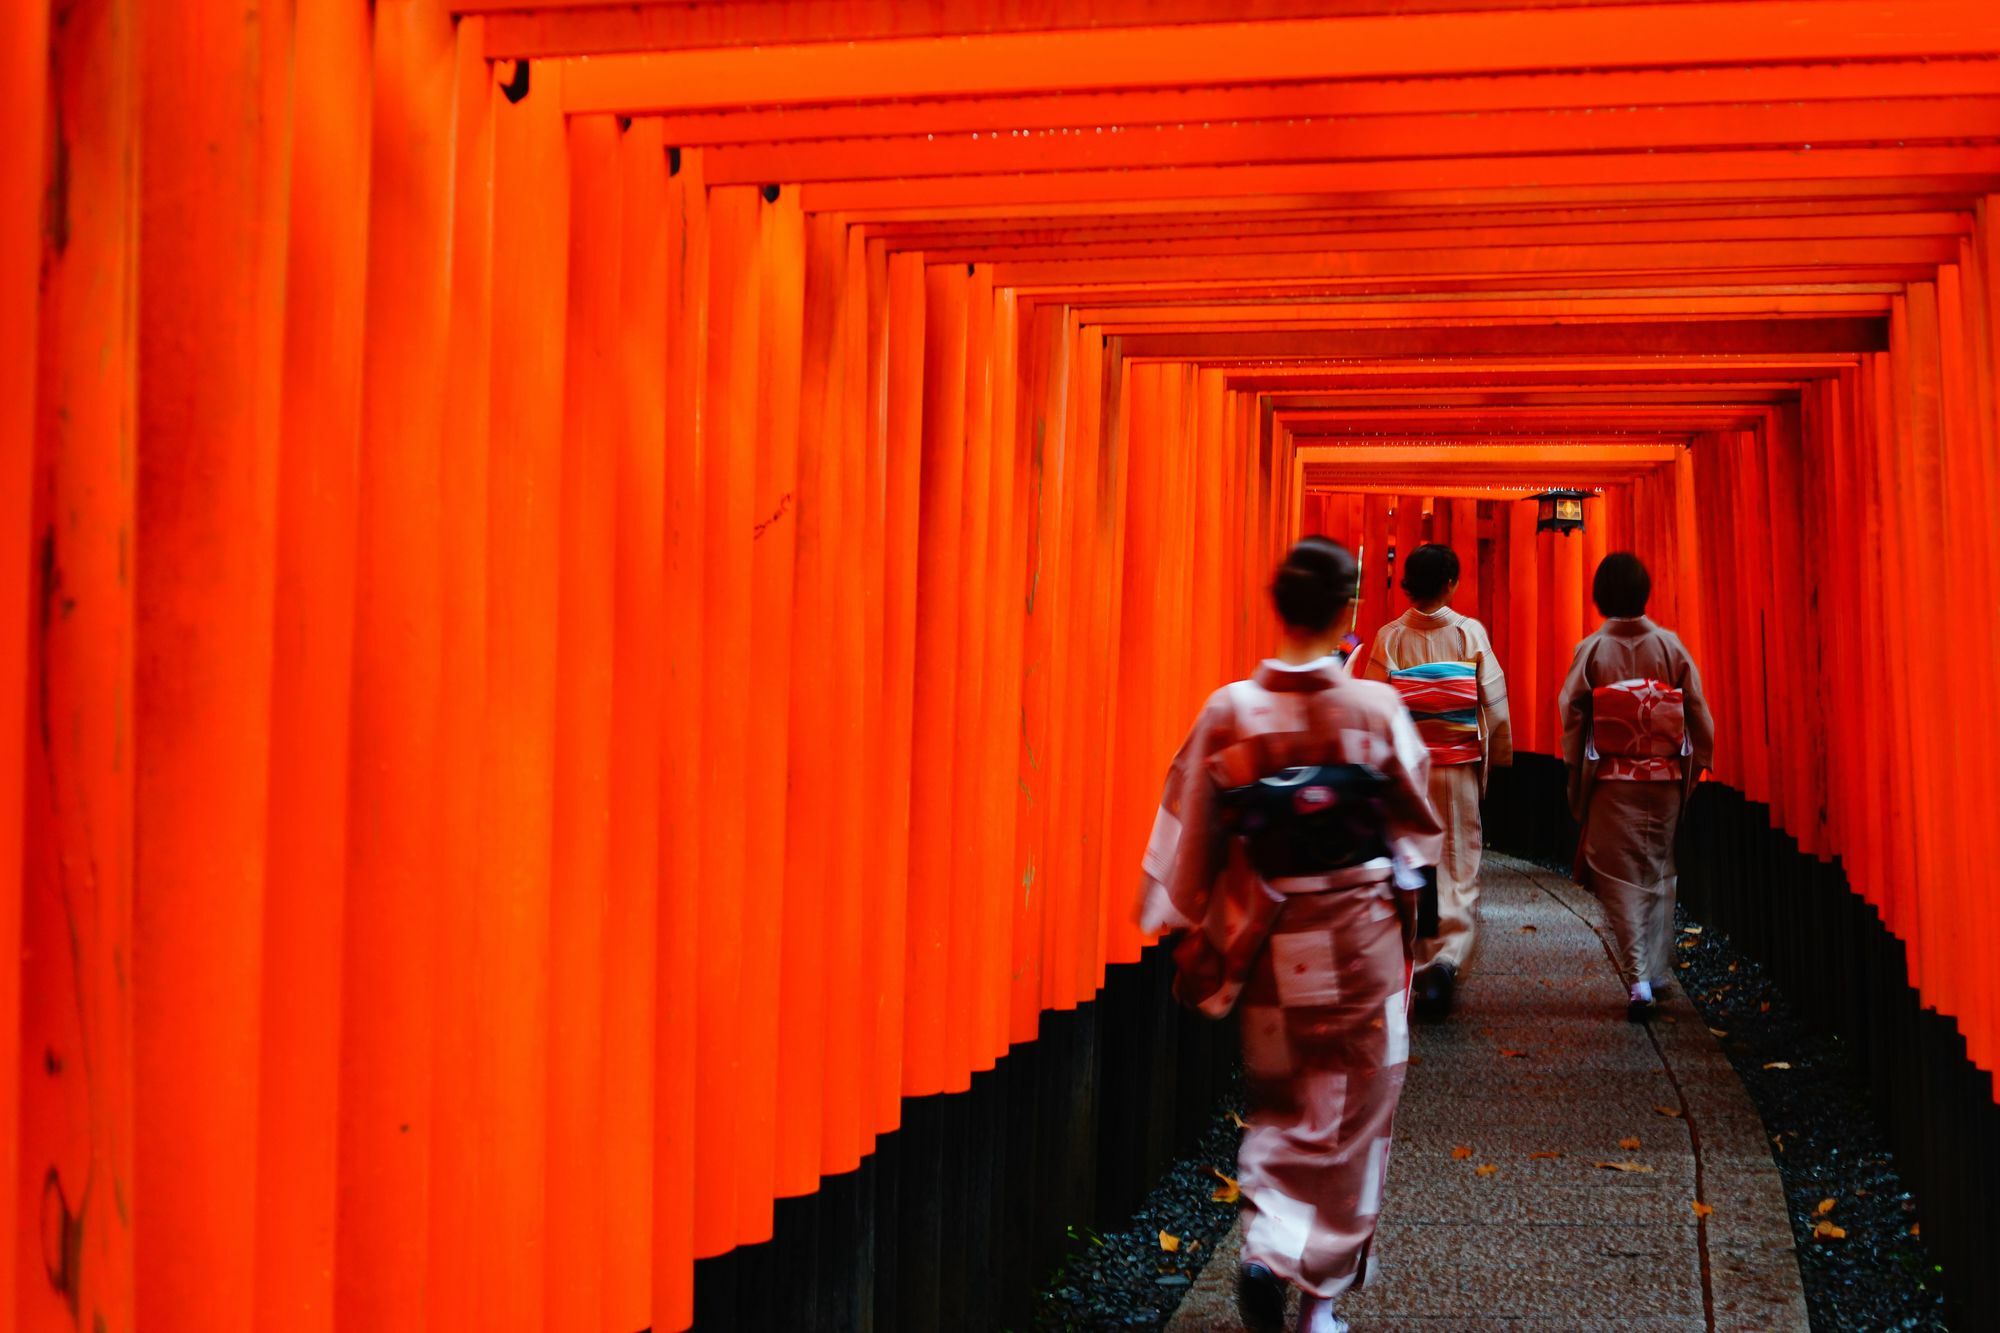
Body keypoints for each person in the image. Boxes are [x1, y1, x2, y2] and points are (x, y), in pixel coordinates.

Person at [1137, 537, 1442, 1333]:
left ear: (1277, 605)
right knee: (1360, 1114)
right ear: (1349, 612)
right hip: (1363, 939)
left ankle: (1268, 1244)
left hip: (1275, 942)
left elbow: (1185, 831)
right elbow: (1418, 829)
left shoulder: (1231, 709)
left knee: (1280, 1102)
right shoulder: (1373, 709)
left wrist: (1176, 915)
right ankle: (1319, 1307)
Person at [1557, 552, 1716, 1023]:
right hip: (1664, 779)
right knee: (1658, 869)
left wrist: (1576, 772)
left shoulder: (1592, 650)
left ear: (1600, 596)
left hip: (1612, 782)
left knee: (1619, 874)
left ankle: (1638, 978)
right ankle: (1657, 969)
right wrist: (1694, 766)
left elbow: (1573, 716)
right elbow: (1698, 715)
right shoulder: (1671, 646)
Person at [1363, 543, 1512, 1017]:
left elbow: (1373, 707)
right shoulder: (1470, 634)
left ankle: (1421, 959)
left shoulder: (1389, 638)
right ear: (1451, 583)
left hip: (1408, 770)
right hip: (1458, 761)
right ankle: (1447, 958)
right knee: (1459, 861)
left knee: (1413, 861)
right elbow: (1494, 705)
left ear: (1407, 582)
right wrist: (1498, 756)